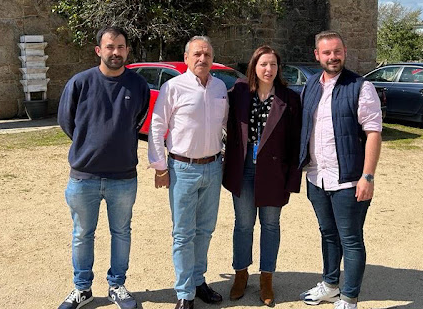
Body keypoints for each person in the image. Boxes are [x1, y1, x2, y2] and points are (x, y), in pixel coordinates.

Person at [57, 26, 150, 309]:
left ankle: (117, 285)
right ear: (99, 50)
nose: (115, 52)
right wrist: (89, 144)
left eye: (121, 47)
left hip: (123, 177)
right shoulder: (80, 83)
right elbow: (66, 121)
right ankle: (82, 289)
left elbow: (138, 120)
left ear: (127, 51)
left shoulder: (138, 86)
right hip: (84, 176)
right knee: (82, 234)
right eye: (110, 47)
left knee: (121, 233)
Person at [298, 31, 382, 309]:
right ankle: (331, 285)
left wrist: (367, 176)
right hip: (317, 177)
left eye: (337, 51)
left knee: (351, 240)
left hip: (348, 180)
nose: (332, 57)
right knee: (328, 234)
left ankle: (349, 298)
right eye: (327, 53)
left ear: (344, 52)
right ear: (317, 55)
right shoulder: (311, 85)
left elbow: (373, 133)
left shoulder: (360, 86)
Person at [148, 36, 228, 309]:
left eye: (207, 54)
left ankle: (197, 280)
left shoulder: (219, 88)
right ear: (186, 58)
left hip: (213, 167)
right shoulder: (173, 87)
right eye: (196, 54)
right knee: (183, 233)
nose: (202, 59)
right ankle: (184, 293)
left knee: (205, 230)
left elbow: (227, 126)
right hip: (182, 168)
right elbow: (157, 127)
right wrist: (160, 167)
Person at [223, 46, 302, 306]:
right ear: (254, 67)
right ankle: (241, 274)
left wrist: (292, 179)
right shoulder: (239, 93)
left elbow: (295, 143)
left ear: (279, 69)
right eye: (263, 64)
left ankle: (267, 277)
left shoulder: (289, 99)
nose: (269, 70)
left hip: (274, 173)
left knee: (270, 226)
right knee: (243, 225)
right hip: (243, 170)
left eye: (273, 65)